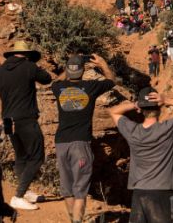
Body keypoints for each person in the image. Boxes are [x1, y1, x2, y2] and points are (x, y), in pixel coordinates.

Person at [110, 87, 173, 223]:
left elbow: (113, 112)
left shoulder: (132, 131)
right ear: (159, 108)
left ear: (141, 110)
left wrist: (135, 104)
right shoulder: (167, 129)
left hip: (139, 193)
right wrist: (166, 100)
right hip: (162, 193)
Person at [51, 53, 117, 223]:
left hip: (61, 143)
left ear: (68, 71)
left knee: (67, 189)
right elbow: (111, 81)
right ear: (82, 71)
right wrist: (102, 63)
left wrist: (70, 68)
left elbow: (56, 81)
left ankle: (73, 220)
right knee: (80, 189)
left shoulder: (58, 88)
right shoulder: (91, 87)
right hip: (80, 143)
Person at [0, 40, 54, 211]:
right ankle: (19, 196)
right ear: (27, 54)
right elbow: (47, 79)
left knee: (20, 156)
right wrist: (35, 65)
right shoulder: (29, 67)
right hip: (25, 119)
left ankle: (25, 192)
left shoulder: (1, 70)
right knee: (37, 157)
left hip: (8, 119)